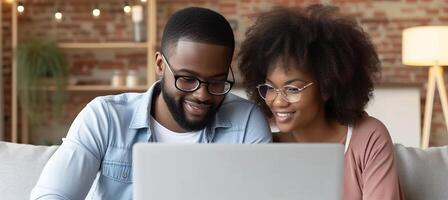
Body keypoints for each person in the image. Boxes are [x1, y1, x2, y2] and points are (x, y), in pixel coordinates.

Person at [31, 7, 271, 200]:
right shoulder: (105, 117)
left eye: (217, 83)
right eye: (187, 79)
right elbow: (51, 195)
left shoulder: (246, 122)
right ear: (159, 65)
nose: (202, 95)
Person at [238, 5, 403, 200]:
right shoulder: (265, 144)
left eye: (292, 89)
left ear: (326, 87)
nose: (278, 101)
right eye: (270, 88)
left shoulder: (367, 137)